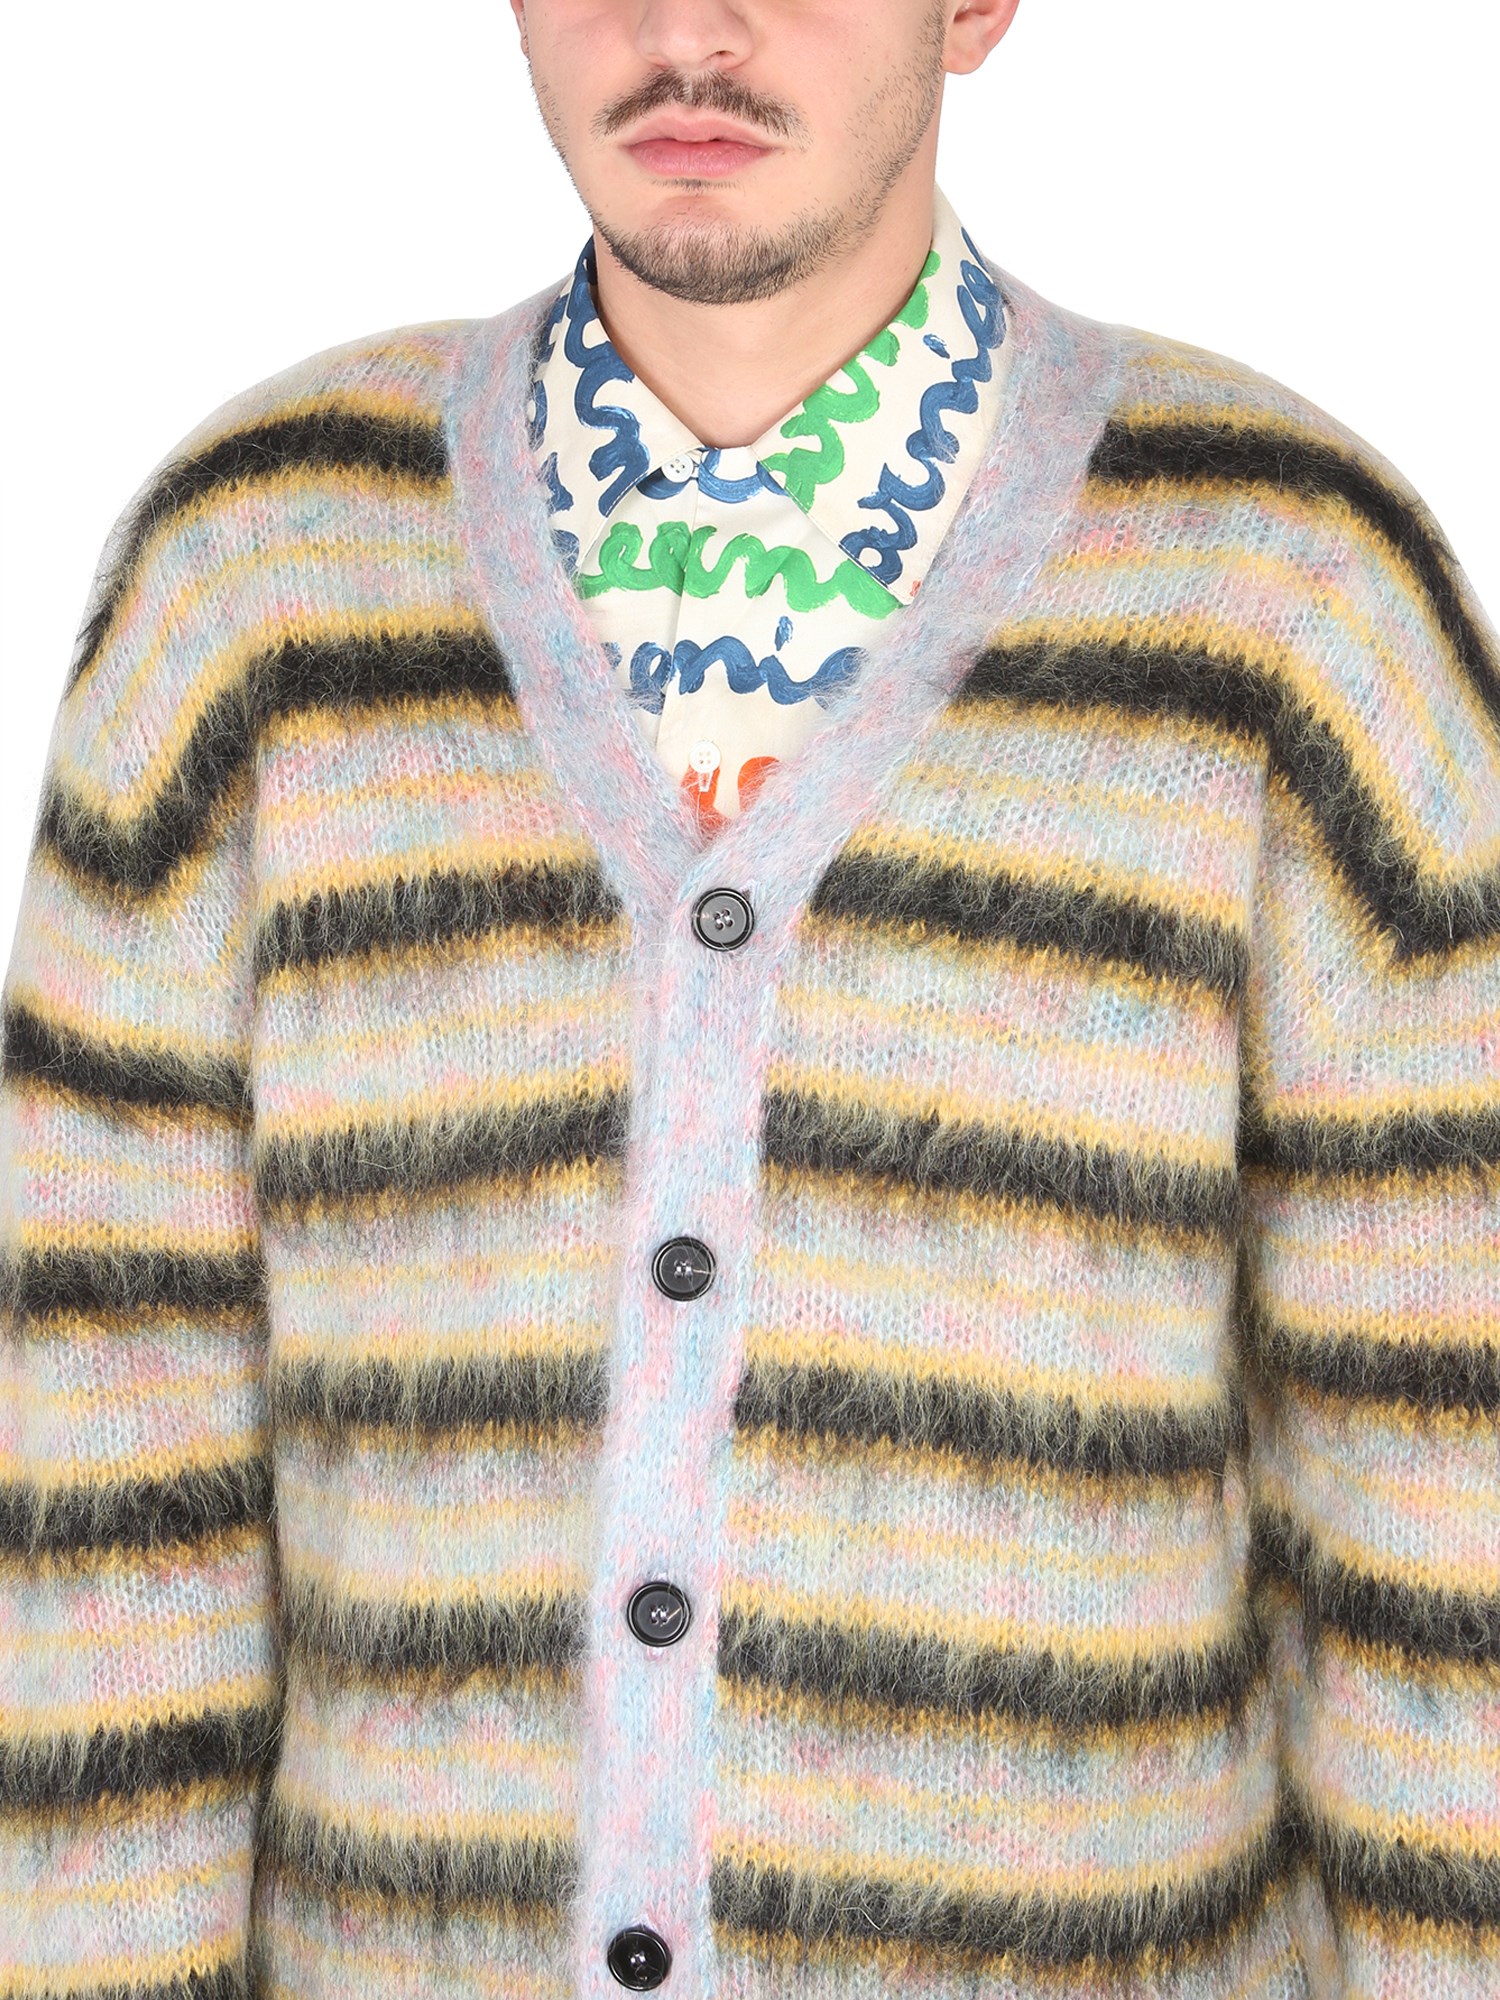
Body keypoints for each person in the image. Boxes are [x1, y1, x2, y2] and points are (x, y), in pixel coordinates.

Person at [2, 2, 1496, 1996]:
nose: (685, 28)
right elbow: (100, 1489)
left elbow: (1442, 1515)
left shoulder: (1293, 593)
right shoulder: (254, 577)